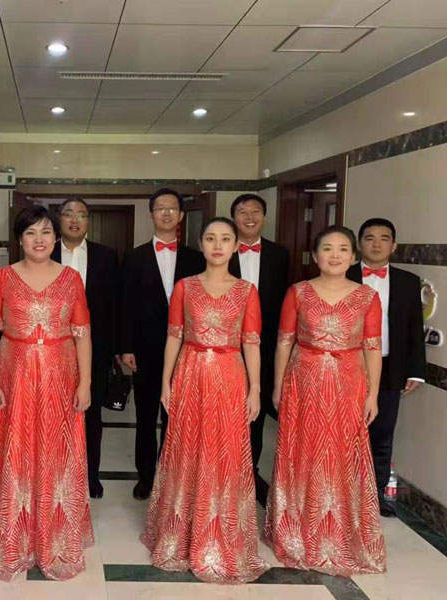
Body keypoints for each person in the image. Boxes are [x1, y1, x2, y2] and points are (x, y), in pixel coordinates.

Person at [141, 217, 268, 583]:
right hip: (190, 371)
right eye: (211, 238)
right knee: (186, 447)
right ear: (200, 243)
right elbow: (174, 336)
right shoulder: (185, 286)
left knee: (225, 451)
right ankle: (181, 531)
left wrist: (255, 389)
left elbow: (251, 343)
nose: (218, 245)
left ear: (236, 246)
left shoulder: (246, 291)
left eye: (225, 239)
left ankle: (220, 532)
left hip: (230, 375)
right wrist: (166, 382)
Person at [264, 225, 386, 576]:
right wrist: (278, 385)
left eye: (343, 249)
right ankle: (295, 530)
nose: (335, 255)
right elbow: (284, 341)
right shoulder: (299, 292)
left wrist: (372, 394)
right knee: (302, 451)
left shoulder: (367, 297)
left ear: (353, 256)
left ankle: (339, 531)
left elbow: (372, 348)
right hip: (303, 382)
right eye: (328, 248)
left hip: (349, 384)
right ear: (316, 255)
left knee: (343, 454)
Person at [0, 205, 93, 581]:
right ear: (20, 239)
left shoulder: (71, 278)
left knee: (57, 451)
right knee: (16, 449)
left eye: (46, 232)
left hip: (61, 375)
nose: (39, 239)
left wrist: (85, 382)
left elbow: (82, 334)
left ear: (56, 237)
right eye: (31, 233)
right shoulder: (2, 277)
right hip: (14, 375)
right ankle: (16, 533)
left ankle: (56, 531)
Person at [119, 188, 205, 500]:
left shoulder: (197, 258)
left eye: (172, 208)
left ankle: (171, 477)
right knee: (145, 416)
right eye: (160, 208)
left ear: (181, 215)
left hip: (187, 350)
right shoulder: (134, 257)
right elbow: (125, 304)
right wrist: (126, 346)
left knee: (177, 417)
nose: (166, 213)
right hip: (145, 349)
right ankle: (145, 476)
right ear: (151, 214)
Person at [348, 218, 426, 517]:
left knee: (382, 433)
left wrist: (415, 370)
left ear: (394, 245)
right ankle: (342, 493)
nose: (377, 244)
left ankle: (374, 495)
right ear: (359, 244)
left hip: (390, 366)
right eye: (369, 238)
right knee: (345, 431)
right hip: (348, 364)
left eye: (384, 238)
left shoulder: (408, 281)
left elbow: (414, 328)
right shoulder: (343, 275)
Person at [51, 198, 118, 499]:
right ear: (59, 219)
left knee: (91, 414)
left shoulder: (106, 256)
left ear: (88, 221)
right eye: (68, 214)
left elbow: (115, 304)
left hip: (96, 348)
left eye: (81, 215)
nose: (74, 220)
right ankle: (56, 474)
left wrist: (117, 347)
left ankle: (90, 475)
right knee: (54, 414)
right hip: (54, 348)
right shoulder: (45, 251)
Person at [228, 194, 290, 477]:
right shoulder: (221, 250)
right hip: (227, 345)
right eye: (243, 212)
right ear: (234, 218)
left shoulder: (280, 255)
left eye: (255, 211)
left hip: (265, 346)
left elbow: (285, 302)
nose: (250, 217)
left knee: (257, 410)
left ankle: (249, 472)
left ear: (264, 217)